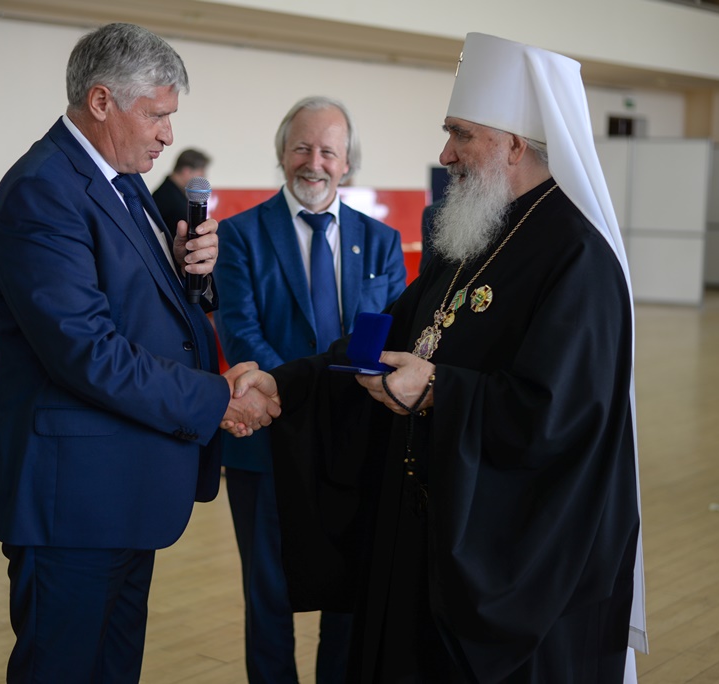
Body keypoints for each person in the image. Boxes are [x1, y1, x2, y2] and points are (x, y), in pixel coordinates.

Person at [228, 32, 646, 683]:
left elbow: (560, 417)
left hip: (513, 563)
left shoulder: (577, 258)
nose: (445, 153)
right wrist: (284, 385)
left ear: (514, 144)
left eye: (461, 135)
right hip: (426, 533)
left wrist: (438, 390)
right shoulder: (470, 232)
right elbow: (380, 338)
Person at [0, 23, 278, 684]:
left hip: (121, 483)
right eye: (157, 115)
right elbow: (88, 354)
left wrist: (190, 271)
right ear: (102, 101)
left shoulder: (121, 180)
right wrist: (217, 398)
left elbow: (142, 307)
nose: (168, 134)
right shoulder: (43, 191)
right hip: (71, 498)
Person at [214, 96, 407, 684]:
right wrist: (299, 398)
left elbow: (390, 334)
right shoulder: (239, 235)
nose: (314, 162)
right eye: (302, 147)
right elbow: (241, 331)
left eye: (328, 151)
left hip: (356, 442)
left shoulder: (382, 242)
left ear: (347, 163)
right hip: (267, 443)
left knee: (350, 593)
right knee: (268, 595)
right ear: (282, 153)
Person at [152, 147, 212, 236]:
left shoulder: (169, 192)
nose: (203, 178)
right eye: (201, 175)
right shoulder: (170, 199)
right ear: (186, 171)